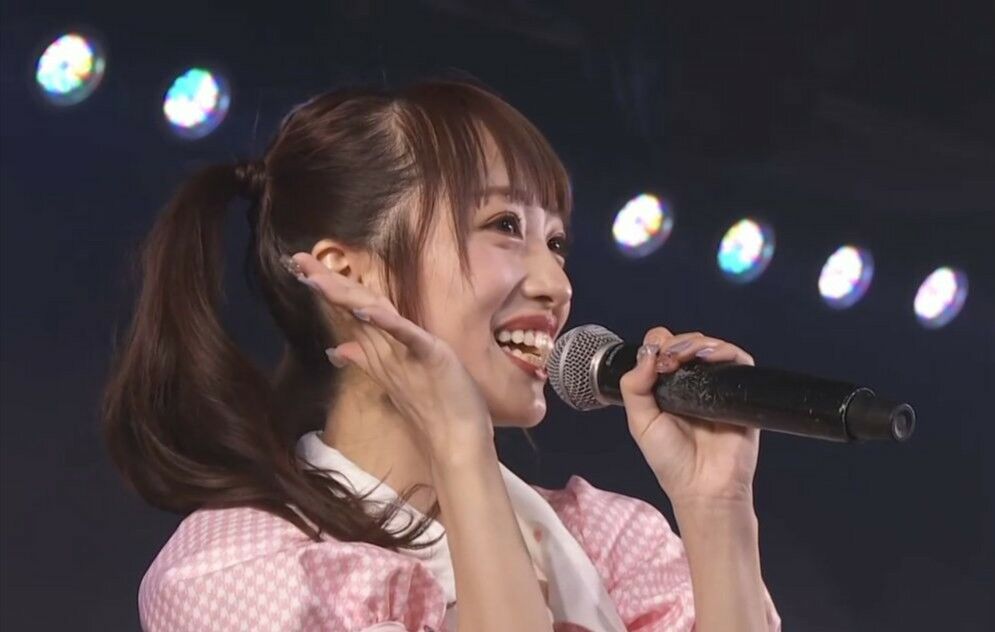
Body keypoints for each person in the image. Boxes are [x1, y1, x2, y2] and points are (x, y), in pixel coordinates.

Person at [102, 77, 781, 631]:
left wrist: (716, 505)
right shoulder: (244, 572)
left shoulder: (605, 542)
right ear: (348, 274)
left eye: (556, 243)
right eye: (504, 226)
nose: (556, 284)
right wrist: (459, 443)